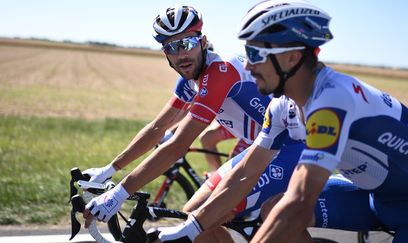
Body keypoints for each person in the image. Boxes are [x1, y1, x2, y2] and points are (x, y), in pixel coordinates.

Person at [156, 1, 408, 243]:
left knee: (288, 212)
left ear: (291, 58)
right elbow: (244, 174)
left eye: (255, 55)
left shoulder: (332, 100)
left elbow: (299, 204)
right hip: (375, 199)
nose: (248, 67)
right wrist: (191, 229)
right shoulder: (281, 106)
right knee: (273, 208)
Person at [81, 6, 305, 241]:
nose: (181, 55)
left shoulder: (221, 71)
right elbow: (157, 128)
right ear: (165, 54)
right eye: (171, 48)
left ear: (203, 42)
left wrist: (117, 195)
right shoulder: (189, 82)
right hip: (262, 149)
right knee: (191, 215)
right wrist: (108, 170)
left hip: (290, 149)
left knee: (204, 218)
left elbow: (178, 145)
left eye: (186, 44)